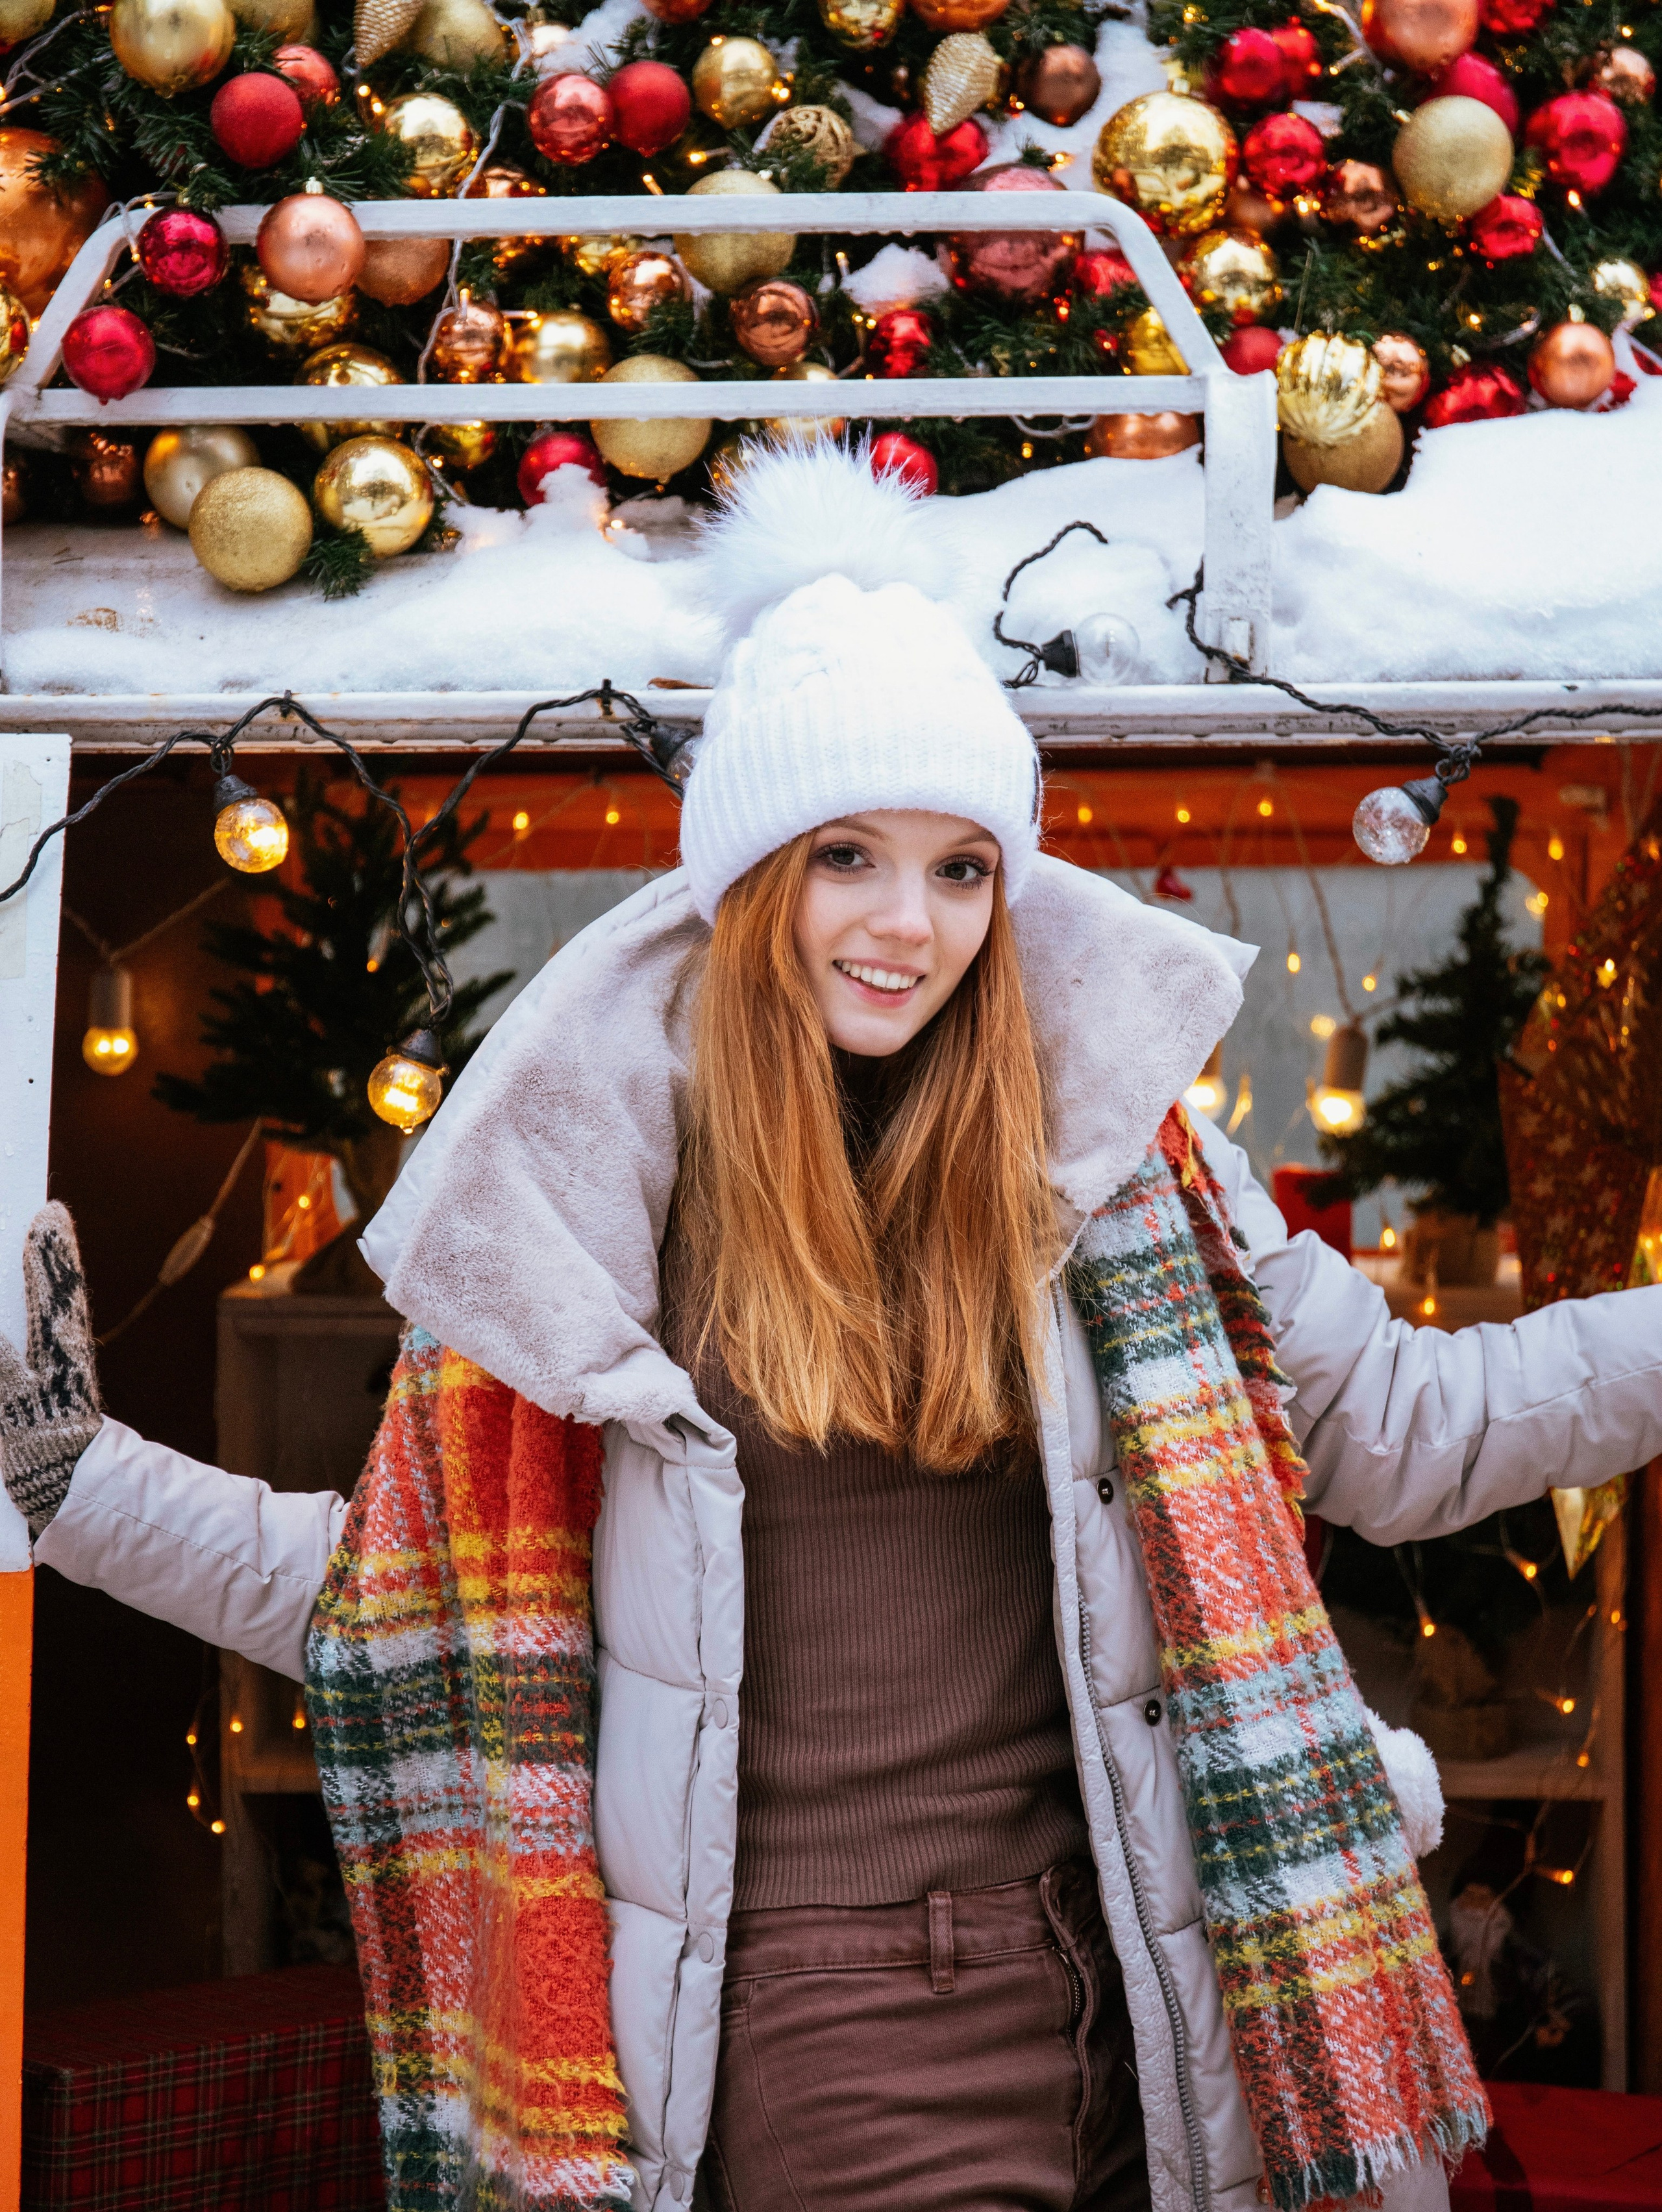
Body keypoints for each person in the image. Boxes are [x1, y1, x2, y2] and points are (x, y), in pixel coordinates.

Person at [4, 445, 1661, 2212]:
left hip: (1164, 1978)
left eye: (961, 869)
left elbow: (1408, 1427)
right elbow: (407, 1605)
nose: (908, 922)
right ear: (747, 879)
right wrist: (72, 1485)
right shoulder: (597, 1204)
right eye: (849, 856)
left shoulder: (1124, 1167)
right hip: (832, 2018)